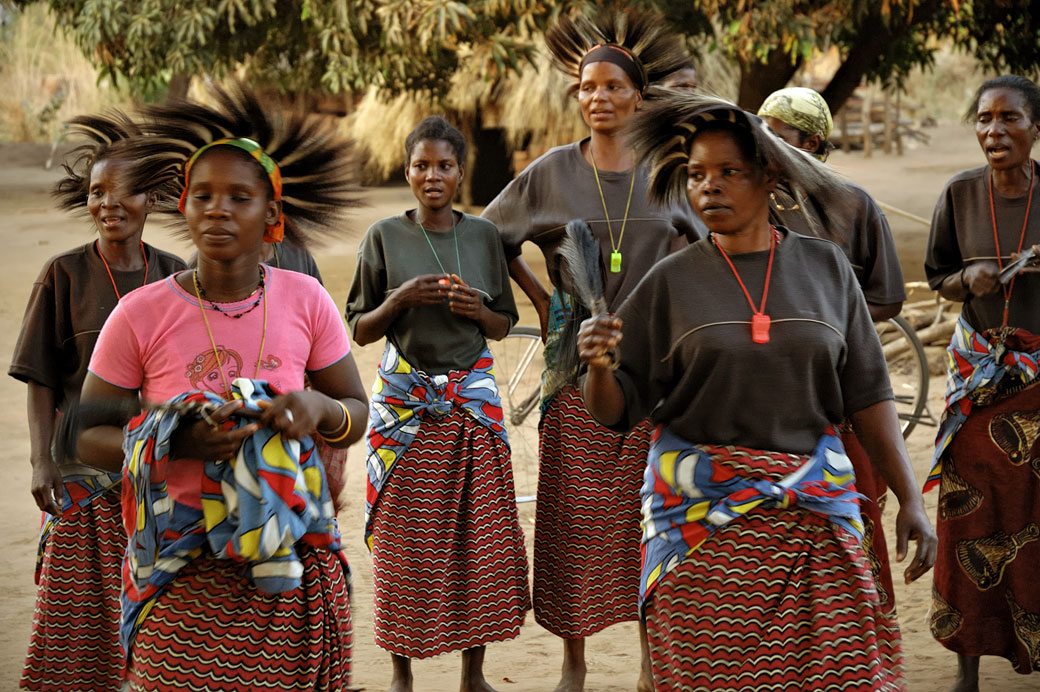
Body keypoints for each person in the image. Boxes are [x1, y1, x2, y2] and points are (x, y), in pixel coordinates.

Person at [577, 91, 936, 691]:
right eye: (695, 176)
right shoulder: (671, 282)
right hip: (702, 537)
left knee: (846, 677)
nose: (708, 188)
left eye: (727, 173)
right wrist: (597, 368)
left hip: (814, 518)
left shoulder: (827, 271)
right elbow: (615, 412)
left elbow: (867, 394)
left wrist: (911, 500)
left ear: (770, 176)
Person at [75, 85, 367, 691]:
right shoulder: (139, 314)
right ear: (181, 208)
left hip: (289, 565)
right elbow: (85, 437)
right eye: (202, 196)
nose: (217, 209)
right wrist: (175, 437)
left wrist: (316, 408)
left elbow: (356, 412)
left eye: (240, 197)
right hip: (180, 571)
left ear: (271, 215)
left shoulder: (305, 298)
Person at [481, 10, 701, 691]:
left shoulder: (671, 171)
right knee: (573, 519)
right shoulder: (549, 172)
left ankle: (647, 664)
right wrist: (545, 302)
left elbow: (707, 246)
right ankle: (573, 666)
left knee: (655, 513)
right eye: (587, 87)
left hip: (657, 369)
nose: (598, 98)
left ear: (640, 97)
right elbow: (489, 236)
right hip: (575, 369)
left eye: (613, 87)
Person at [346, 115, 529, 692]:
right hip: (405, 409)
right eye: (421, 165)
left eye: (444, 165)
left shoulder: (481, 237)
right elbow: (360, 329)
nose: (432, 175)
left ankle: (472, 675)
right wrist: (400, 298)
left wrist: (477, 311)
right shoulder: (383, 236)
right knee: (403, 545)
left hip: (470, 408)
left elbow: (503, 325)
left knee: (479, 541)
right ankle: (402, 673)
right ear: (407, 171)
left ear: (459, 172)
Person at [10, 112, 186, 692]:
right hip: (82, 473)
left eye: (123, 191)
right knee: (76, 615)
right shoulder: (61, 276)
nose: (108, 203)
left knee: (164, 614)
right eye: (96, 192)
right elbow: (40, 379)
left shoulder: (178, 277)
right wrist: (41, 460)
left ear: (153, 198)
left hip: (158, 474)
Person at [758, 85, 906, 631]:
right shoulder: (749, 204)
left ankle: (862, 640)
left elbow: (888, 297)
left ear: (813, 142)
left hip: (842, 392)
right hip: (768, 392)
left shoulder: (854, 204)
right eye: (762, 131)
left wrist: (825, 317)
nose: (765, 144)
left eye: (779, 133)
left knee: (855, 513)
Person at [924, 74, 1040, 691]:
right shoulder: (960, 194)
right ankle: (965, 669)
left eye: (1010, 119)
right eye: (984, 119)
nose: (994, 131)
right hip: (976, 383)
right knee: (966, 518)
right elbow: (937, 274)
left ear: (1035, 127)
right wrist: (967, 278)